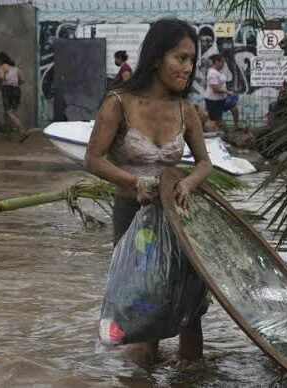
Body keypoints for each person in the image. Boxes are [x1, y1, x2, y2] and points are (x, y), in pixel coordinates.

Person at [84, 18, 213, 366]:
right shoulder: (118, 103)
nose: (187, 67)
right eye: (180, 58)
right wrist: (134, 182)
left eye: (191, 60)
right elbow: (93, 159)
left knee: (190, 311)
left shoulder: (186, 111)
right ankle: (139, 374)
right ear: (156, 57)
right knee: (143, 311)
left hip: (181, 221)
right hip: (133, 220)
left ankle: (191, 374)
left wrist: (186, 183)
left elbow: (204, 164)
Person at [0, 52, 28, 142]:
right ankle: (8, 134)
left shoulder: (2, 67)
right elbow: (22, 80)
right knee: (9, 113)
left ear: (0, 60)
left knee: (9, 113)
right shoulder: (16, 68)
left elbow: (1, 77)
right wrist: (15, 84)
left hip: (7, 90)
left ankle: (22, 130)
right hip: (17, 90)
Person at [204, 54, 239, 130]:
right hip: (213, 101)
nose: (224, 64)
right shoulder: (212, 73)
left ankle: (236, 126)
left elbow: (221, 84)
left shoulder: (217, 72)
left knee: (234, 109)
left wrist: (229, 91)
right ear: (217, 62)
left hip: (223, 99)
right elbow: (215, 88)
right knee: (217, 121)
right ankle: (223, 133)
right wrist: (228, 92)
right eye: (223, 62)